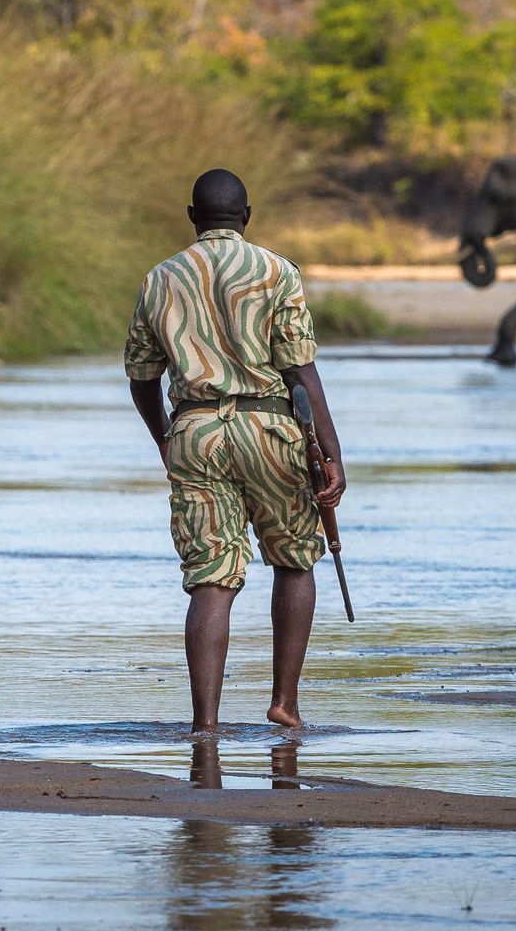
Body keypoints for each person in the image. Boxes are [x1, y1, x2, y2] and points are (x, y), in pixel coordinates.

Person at [124, 168, 347, 735]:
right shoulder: (277, 271)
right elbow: (299, 368)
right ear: (245, 217)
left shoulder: (160, 278)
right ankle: (284, 702)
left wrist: (165, 435)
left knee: (211, 576)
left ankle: (205, 722)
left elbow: (141, 377)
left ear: (193, 217)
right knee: (295, 559)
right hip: (271, 428)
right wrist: (331, 453)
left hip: (196, 432)